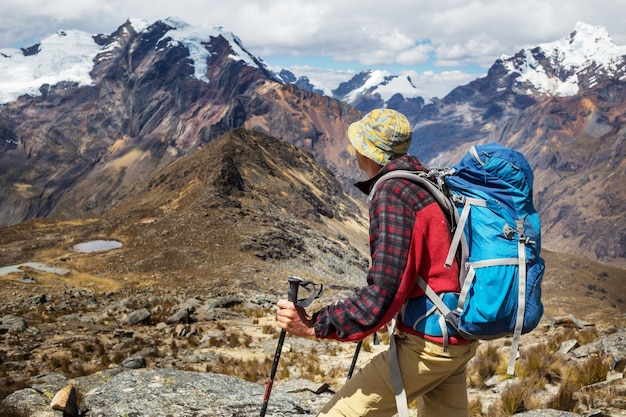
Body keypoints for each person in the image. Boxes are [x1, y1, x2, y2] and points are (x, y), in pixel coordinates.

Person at [276, 108, 478, 417]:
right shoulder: (424, 181)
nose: (353, 149)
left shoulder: (393, 193)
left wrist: (313, 325)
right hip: (456, 336)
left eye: (358, 143)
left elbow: (383, 295)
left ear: (368, 150)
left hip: (429, 346)